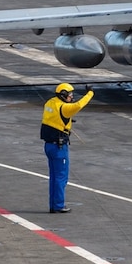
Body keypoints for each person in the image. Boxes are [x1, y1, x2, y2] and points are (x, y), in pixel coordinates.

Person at [41, 82, 94, 213]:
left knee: (54, 177)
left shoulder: (50, 103)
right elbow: (79, 105)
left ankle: (53, 205)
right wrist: (90, 93)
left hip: (48, 145)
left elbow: (54, 118)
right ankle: (58, 205)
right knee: (61, 177)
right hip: (59, 148)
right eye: (70, 94)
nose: (72, 97)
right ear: (63, 95)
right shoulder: (65, 108)